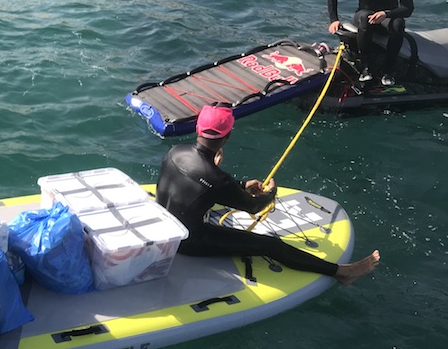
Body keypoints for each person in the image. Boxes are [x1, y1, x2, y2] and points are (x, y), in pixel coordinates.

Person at [156, 105, 380, 285]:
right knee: (270, 245)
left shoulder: (175, 152)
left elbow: (199, 182)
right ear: (228, 135)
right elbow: (253, 207)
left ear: (198, 129)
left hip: (165, 231)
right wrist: (271, 194)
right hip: (188, 242)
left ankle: (341, 272)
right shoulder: (217, 178)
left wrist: (241, 185)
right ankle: (342, 272)